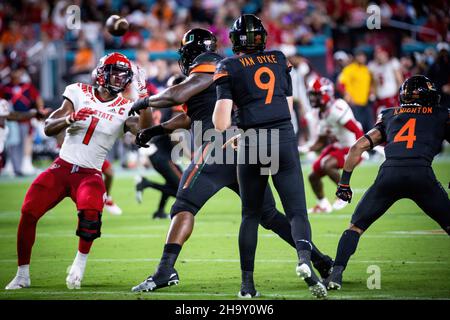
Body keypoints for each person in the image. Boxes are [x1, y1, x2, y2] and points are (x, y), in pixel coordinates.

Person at [128, 28, 332, 297]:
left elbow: (176, 96)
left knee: (184, 205)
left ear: (191, 52)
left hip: (218, 146)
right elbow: (194, 115)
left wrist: (143, 100)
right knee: (267, 215)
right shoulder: (223, 70)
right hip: (246, 145)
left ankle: (165, 270)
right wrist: (156, 130)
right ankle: (318, 259)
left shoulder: (210, 64)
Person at [5, 52, 152, 290]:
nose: (119, 79)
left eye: (124, 75)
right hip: (61, 167)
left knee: (91, 213)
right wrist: (69, 119)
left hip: (90, 173)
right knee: (28, 211)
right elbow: (49, 127)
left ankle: (79, 264)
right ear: (103, 73)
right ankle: (22, 274)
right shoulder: (78, 91)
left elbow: (146, 133)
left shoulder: (126, 107)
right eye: (115, 73)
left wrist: (144, 98)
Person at [212, 14, 327, 298]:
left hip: (252, 139)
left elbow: (221, 123)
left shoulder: (227, 66)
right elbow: (286, 105)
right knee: (297, 211)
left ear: (235, 40)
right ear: (262, 37)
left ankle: (247, 286)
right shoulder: (279, 58)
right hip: (283, 137)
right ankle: (303, 259)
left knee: (251, 214)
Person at [325, 75, 450, 290]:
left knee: (355, 227)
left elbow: (357, 147)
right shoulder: (440, 114)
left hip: (389, 174)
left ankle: (335, 275)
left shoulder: (390, 115)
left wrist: (344, 184)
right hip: (421, 173)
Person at [299, 77, 364, 213]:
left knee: (327, 165)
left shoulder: (336, 107)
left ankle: (344, 192)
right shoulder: (321, 113)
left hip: (352, 147)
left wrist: (361, 150)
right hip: (339, 146)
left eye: (316, 94)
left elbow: (356, 130)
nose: (313, 98)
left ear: (326, 94)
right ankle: (323, 205)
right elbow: (321, 142)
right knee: (313, 176)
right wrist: (304, 149)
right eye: (312, 95)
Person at [135, 74, 185, 219]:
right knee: (180, 188)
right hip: (162, 153)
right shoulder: (174, 104)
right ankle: (147, 183)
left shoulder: (162, 102)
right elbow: (174, 133)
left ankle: (159, 211)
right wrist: (187, 152)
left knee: (172, 182)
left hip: (158, 151)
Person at [338, 50, 373, 134]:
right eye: (359, 56)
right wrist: (347, 96)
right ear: (355, 57)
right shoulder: (349, 69)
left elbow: (369, 84)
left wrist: (371, 93)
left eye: (363, 56)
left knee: (369, 128)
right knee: (358, 129)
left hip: (365, 104)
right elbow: (341, 84)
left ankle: (370, 147)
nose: (361, 58)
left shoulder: (366, 70)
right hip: (354, 104)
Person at [368, 46, 403, 116]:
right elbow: (372, 83)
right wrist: (373, 94)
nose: (379, 55)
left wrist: (399, 96)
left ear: (386, 54)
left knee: (393, 120)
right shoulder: (372, 66)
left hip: (392, 97)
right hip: (379, 99)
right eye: (377, 53)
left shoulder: (392, 63)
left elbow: (399, 80)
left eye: (381, 53)